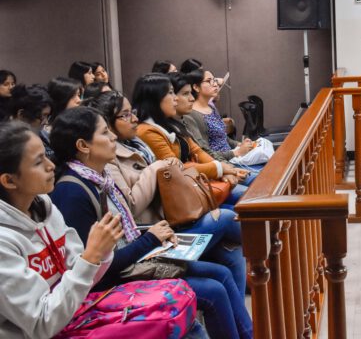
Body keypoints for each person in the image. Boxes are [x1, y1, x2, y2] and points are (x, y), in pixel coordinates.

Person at [49, 107, 252, 339]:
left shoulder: (100, 178)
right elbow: (97, 270)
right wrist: (151, 239)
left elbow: (124, 235)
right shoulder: (72, 193)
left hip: (136, 259)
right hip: (115, 282)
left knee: (222, 271)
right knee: (213, 288)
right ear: (83, 146)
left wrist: (154, 236)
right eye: (105, 132)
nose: (113, 136)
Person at [85, 90, 246, 295]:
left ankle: (266, 260)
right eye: (125, 115)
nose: (134, 118)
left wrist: (222, 167)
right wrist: (157, 168)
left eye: (132, 112)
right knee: (227, 215)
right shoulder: (112, 157)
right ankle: (269, 248)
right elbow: (129, 207)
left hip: (175, 214)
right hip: (157, 228)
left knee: (232, 252)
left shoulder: (141, 141)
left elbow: (196, 152)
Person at [0, 120, 121, 338]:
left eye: (46, 156)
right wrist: (91, 257)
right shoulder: (4, 241)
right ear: (9, 180)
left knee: (171, 303)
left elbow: (81, 277)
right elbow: (41, 323)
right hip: (48, 330)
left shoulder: (45, 208)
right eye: (38, 162)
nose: (51, 166)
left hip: (74, 317)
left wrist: (100, 253)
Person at [131, 73, 250, 207]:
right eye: (171, 93)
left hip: (198, 182)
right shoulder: (147, 131)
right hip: (182, 198)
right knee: (241, 205)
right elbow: (176, 169)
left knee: (248, 195)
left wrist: (224, 170)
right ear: (154, 99)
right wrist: (221, 169)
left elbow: (197, 150)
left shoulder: (171, 123)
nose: (175, 98)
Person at [8, 84, 56, 162]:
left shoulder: (43, 134)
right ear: (21, 115)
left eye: (47, 116)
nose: (46, 122)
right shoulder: (6, 145)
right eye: (43, 116)